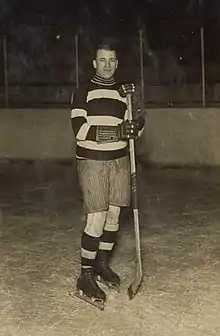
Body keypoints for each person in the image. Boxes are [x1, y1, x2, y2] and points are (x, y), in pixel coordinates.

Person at [70, 40, 145, 309]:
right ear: (94, 63)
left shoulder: (123, 92)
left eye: (112, 60)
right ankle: (85, 276)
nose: (108, 65)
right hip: (93, 162)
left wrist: (136, 111)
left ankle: (102, 264)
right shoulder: (83, 91)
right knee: (97, 217)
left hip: (120, 160)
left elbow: (135, 129)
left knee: (114, 215)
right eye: (102, 60)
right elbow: (80, 130)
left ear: (117, 63)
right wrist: (117, 133)